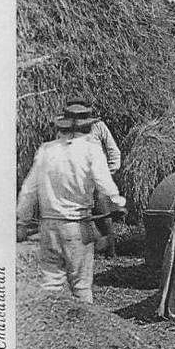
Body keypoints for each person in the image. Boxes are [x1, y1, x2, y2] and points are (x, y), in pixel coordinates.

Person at [16, 109, 127, 304]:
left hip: (48, 226)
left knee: (51, 284)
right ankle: (84, 330)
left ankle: (51, 327)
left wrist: (23, 222)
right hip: (78, 224)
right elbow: (104, 183)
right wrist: (119, 203)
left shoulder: (46, 150)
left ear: (62, 127)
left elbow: (28, 190)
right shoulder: (91, 149)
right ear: (86, 127)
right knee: (81, 285)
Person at [64, 98, 121, 252]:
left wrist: (109, 173)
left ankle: (111, 250)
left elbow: (113, 152)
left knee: (103, 211)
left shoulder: (98, 127)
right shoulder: (65, 130)